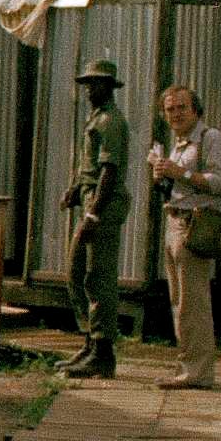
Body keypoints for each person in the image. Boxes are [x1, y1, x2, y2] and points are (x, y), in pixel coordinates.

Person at [146, 83, 221, 390]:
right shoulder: (179, 144)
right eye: (169, 109)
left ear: (196, 109)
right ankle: (187, 368)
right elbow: (177, 186)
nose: (176, 114)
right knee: (178, 301)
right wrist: (161, 176)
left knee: (193, 302)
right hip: (174, 224)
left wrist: (179, 173)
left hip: (194, 227)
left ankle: (197, 373)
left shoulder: (211, 138)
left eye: (182, 107)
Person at [59, 59, 130, 378]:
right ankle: (91, 342)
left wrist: (93, 214)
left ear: (109, 87)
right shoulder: (97, 118)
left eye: (95, 84)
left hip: (102, 205)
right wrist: (75, 190)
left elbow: (110, 171)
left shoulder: (112, 121)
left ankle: (103, 353)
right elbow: (91, 166)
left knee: (97, 277)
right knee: (77, 273)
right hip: (91, 198)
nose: (89, 89)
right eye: (87, 84)